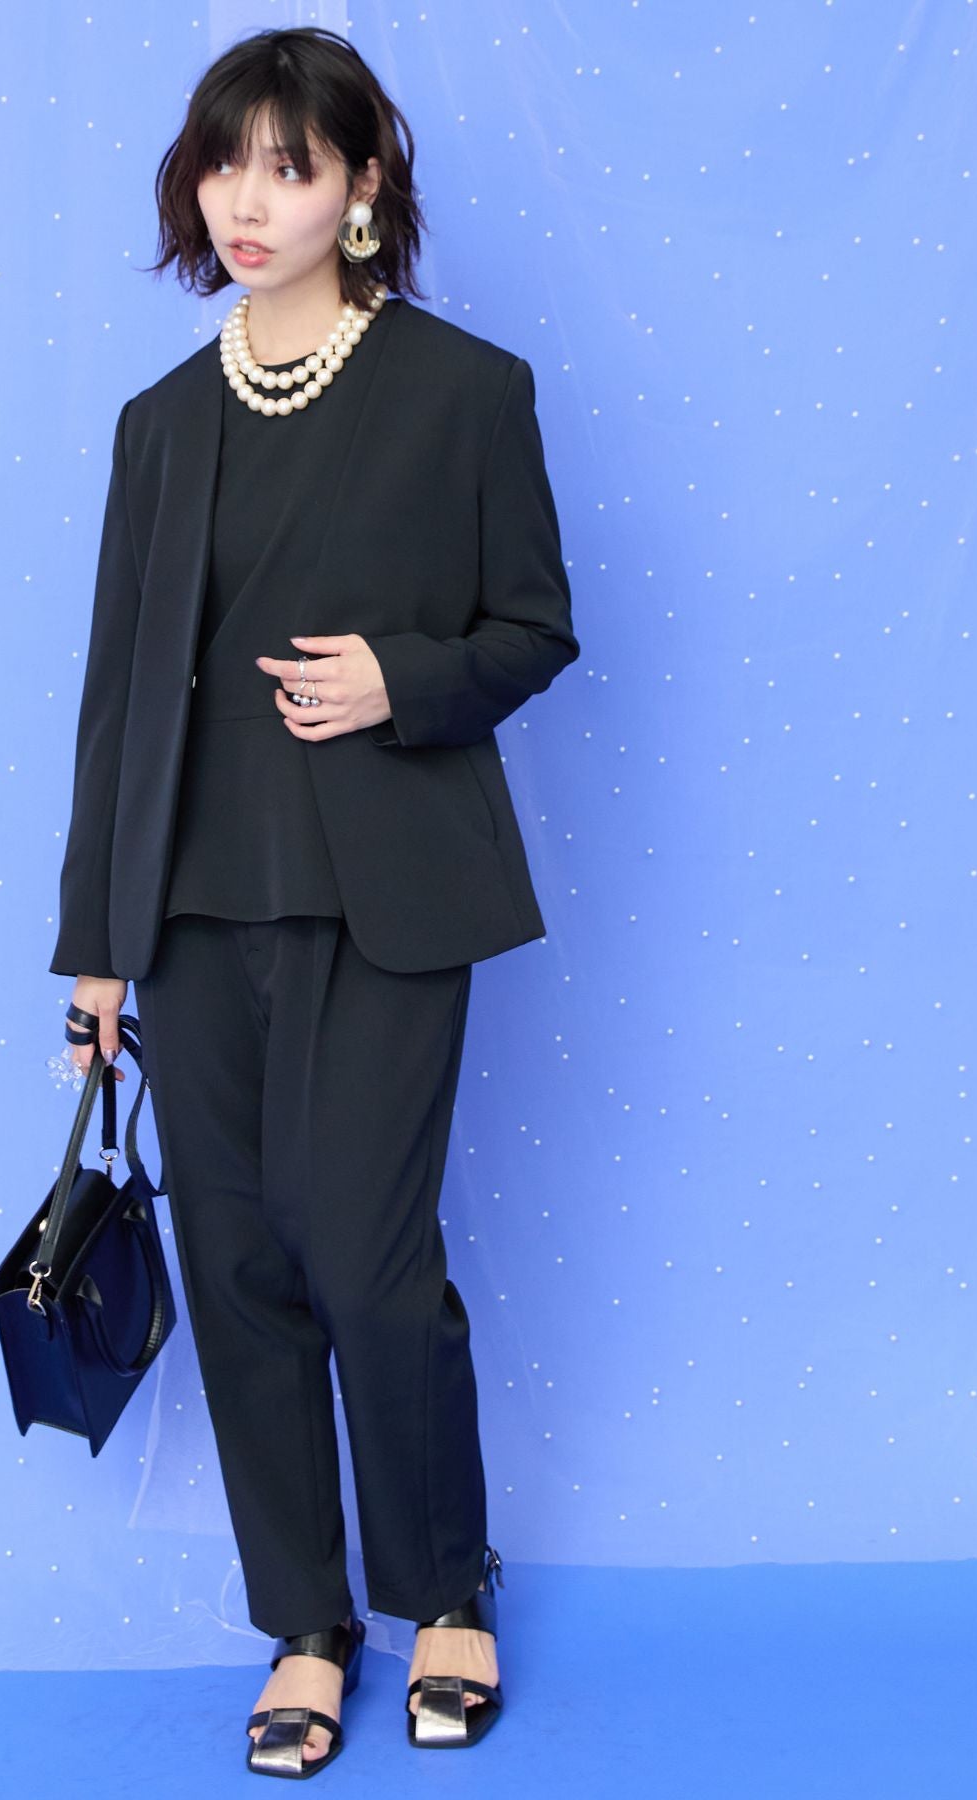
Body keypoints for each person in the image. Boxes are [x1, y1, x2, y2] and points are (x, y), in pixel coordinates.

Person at [50, 25, 578, 1779]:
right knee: (240, 1264)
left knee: (366, 1254)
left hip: (390, 895)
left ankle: (444, 1588)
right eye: (226, 162)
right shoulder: (160, 426)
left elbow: (535, 630)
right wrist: (96, 953)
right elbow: (120, 704)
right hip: (195, 907)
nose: (249, 199)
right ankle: (304, 1624)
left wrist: (399, 682)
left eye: (291, 165)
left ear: (362, 187)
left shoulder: (464, 390)